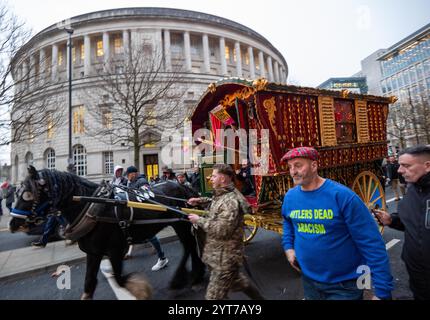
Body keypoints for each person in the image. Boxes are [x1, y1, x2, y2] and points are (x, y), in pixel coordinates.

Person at [281, 147, 393, 300]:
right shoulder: (290, 197)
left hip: (345, 286)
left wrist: (382, 292)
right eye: (290, 167)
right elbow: (288, 222)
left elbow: (372, 243)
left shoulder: (343, 197)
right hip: (309, 281)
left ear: (314, 166)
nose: (293, 171)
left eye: (298, 165)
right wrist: (289, 248)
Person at [187, 164, 264, 300]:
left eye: (214, 176)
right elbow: (216, 202)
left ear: (222, 178)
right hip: (219, 254)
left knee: (213, 298)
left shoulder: (231, 201)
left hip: (225, 259)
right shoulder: (224, 194)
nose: (211, 178)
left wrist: (199, 220)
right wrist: (199, 201)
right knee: (238, 283)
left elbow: (222, 230)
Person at [374, 145, 430, 300]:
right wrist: (391, 220)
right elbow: (414, 222)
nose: (399, 170)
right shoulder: (413, 190)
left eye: (406, 165)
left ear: (427, 166)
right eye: (399, 165)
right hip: (417, 275)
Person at [124, 166, 169, 271]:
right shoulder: (130, 182)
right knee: (149, 236)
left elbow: (147, 197)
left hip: (145, 214)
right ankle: (162, 257)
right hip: (137, 213)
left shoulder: (142, 181)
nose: (127, 177)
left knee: (151, 236)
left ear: (133, 173)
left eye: (128, 174)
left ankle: (162, 258)